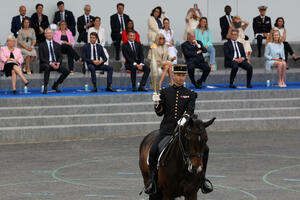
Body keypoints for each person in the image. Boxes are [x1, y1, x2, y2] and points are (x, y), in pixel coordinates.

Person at [145, 64, 212, 195]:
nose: (181, 78)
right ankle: (152, 181)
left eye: (183, 75)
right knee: (153, 151)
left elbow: (190, 110)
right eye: (178, 75)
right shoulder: (165, 92)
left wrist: (185, 119)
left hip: (184, 130)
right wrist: (157, 104)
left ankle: (202, 179)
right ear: (174, 76)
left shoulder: (190, 94)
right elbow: (160, 113)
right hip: (167, 130)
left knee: (206, 150)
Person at [39, 29, 70, 94]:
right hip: (46, 63)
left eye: (51, 33)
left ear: (53, 34)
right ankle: (45, 87)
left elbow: (60, 56)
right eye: (48, 33)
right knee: (47, 68)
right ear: (45, 35)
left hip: (56, 64)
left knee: (66, 71)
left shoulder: (57, 45)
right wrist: (50, 63)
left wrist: (58, 63)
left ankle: (55, 85)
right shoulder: (41, 45)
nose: (49, 34)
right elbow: (41, 58)